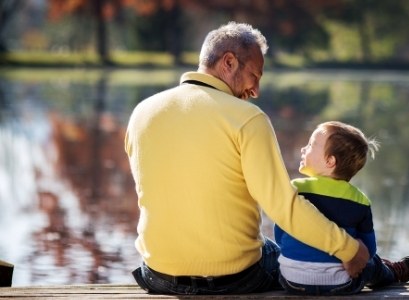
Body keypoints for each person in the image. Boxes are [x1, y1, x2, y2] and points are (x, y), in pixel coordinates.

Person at [124, 22, 369, 295]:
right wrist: (349, 248)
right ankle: (379, 268)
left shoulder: (141, 113)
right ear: (228, 62)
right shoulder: (247, 119)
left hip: (158, 275)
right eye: (255, 74)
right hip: (235, 278)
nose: (256, 91)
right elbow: (283, 208)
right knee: (310, 257)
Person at [275, 121, 409, 296]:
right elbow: (368, 250)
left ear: (330, 161)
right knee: (370, 262)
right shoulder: (360, 200)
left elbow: (279, 235)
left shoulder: (294, 189)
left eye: (311, 145)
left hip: (291, 282)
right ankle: (391, 273)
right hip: (342, 285)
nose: (303, 149)